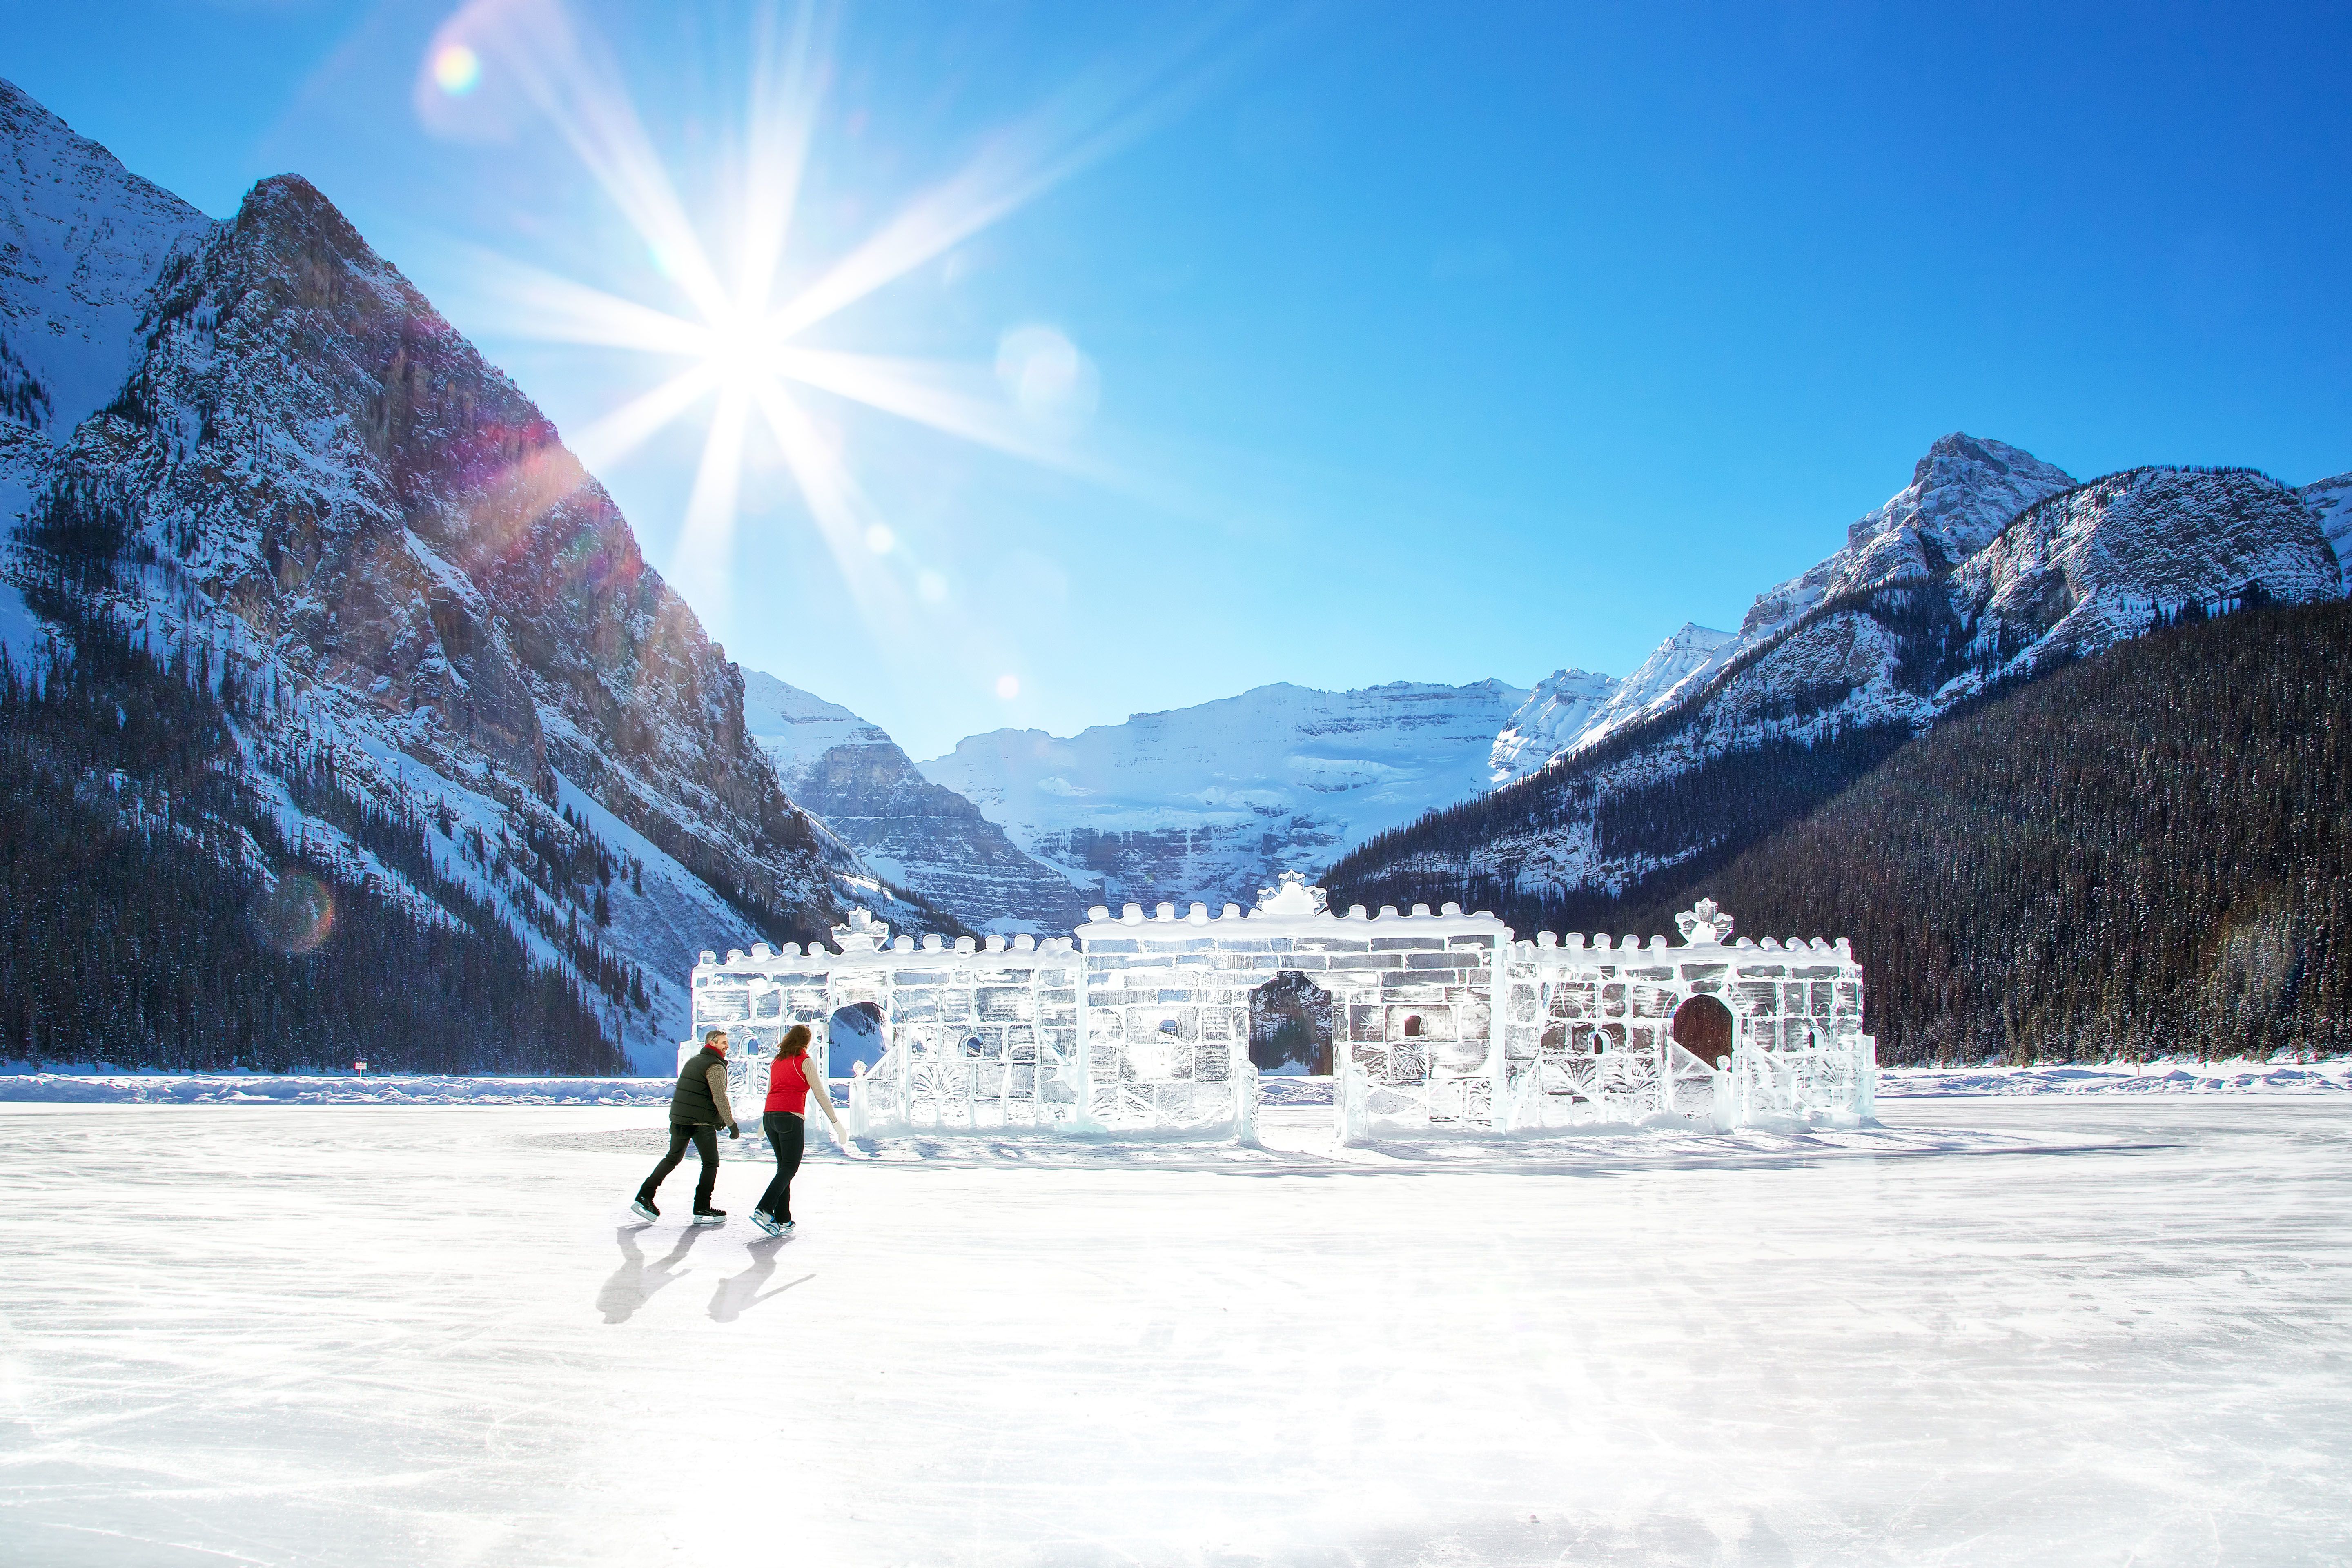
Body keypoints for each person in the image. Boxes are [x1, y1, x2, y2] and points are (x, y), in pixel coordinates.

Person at [632, 1028, 740, 1225]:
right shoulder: (715, 1065)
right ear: (712, 1043)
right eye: (723, 1043)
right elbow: (719, 1096)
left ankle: (644, 1196)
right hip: (701, 1123)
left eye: (727, 1043)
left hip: (681, 1119)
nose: (727, 1047)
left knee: (672, 1158)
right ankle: (702, 1207)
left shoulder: (694, 1062)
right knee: (710, 1164)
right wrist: (731, 1123)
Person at [752, 1023, 845, 1237]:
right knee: (790, 1168)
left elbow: (770, 1091)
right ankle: (765, 1209)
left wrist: (762, 1124)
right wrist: (835, 1122)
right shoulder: (805, 1061)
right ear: (806, 1041)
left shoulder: (777, 1061)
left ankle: (783, 1218)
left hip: (770, 1118)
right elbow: (820, 1093)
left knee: (783, 1168)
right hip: (790, 1117)